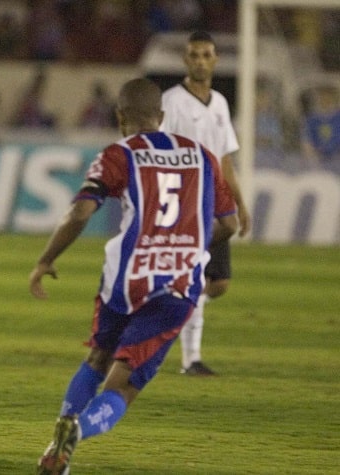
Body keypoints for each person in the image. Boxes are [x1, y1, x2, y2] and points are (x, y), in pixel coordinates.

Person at [29, 77, 238, 474]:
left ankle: (57, 439)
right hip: (175, 286)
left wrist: (46, 259)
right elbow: (228, 224)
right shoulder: (204, 157)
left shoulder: (118, 154)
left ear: (120, 116)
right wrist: (190, 242)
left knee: (98, 356)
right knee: (124, 383)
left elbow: (80, 212)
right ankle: (77, 431)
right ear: (161, 117)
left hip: (126, 278)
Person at [160, 31, 250, 376]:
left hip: (216, 201)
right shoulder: (171, 101)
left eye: (206, 54)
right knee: (197, 276)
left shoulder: (220, 104)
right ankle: (191, 360)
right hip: (185, 201)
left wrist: (240, 203)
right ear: (186, 60)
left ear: (215, 60)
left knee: (220, 284)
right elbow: (159, 149)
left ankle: (176, 309)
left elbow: (225, 160)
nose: (199, 60)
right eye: (194, 55)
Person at [301, 84, 340, 174]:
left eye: (328, 96)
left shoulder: (338, 117)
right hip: (317, 162)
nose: (325, 99)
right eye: (322, 96)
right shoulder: (311, 119)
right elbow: (307, 142)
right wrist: (314, 157)